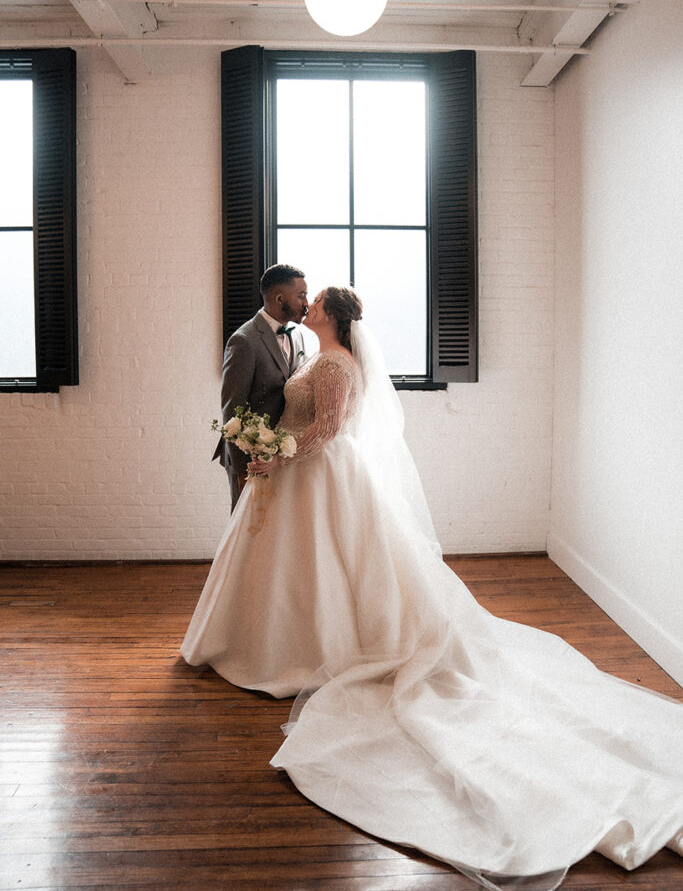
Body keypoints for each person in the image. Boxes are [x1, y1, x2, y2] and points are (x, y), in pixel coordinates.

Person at [185, 286, 683, 891]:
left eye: (316, 303)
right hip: (296, 477)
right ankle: (262, 639)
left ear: (333, 318)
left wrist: (280, 455)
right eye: (306, 300)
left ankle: (308, 647)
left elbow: (333, 427)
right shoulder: (313, 355)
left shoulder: (338, 362)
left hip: (319, 476)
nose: (307, 305)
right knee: (287, 571)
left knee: (329, 573)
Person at [212, 263, 309, 510]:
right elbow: (232, 409)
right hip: (251, 458)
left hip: (280, 456)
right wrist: (243, 469)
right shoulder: (244, 341)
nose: (306, 303)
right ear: (279, 298)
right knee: (248, 529)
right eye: (301, 295)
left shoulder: (296, 335)